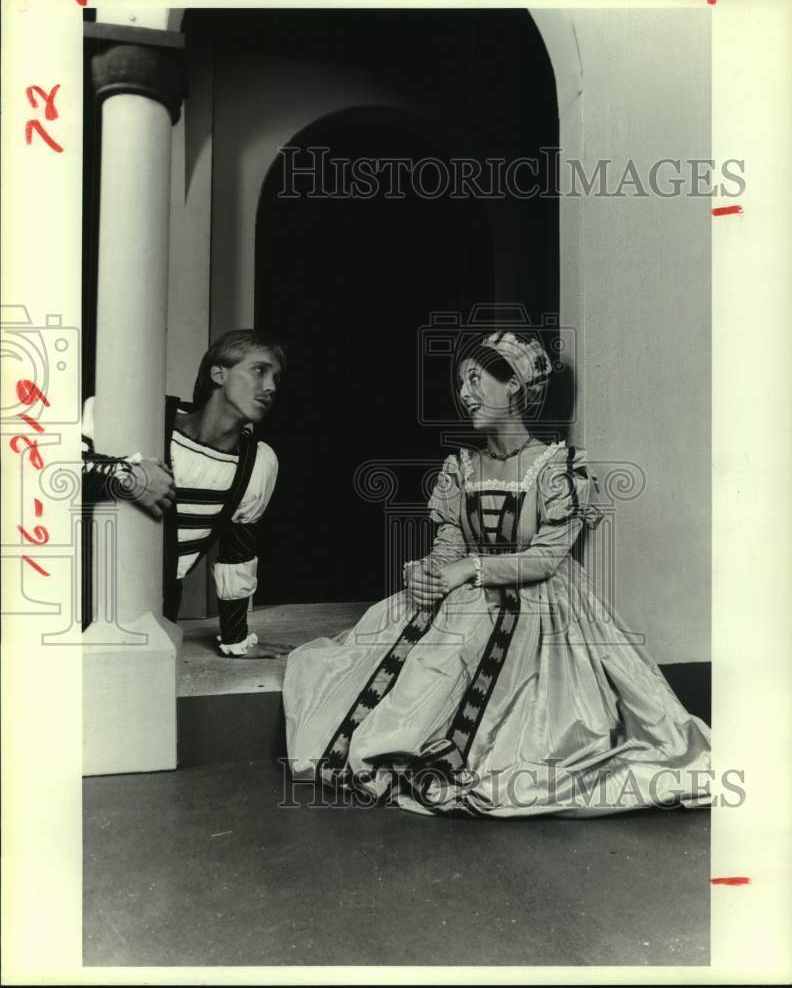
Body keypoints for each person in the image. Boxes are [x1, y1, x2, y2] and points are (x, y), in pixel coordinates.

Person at [282, 329, 712, 817]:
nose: (464, 393)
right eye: (461, 382)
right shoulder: (462, 466)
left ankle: (459, 756)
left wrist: (472, 568)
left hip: (540, 604)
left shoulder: (558, 468)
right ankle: (403, 750)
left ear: (514, 386)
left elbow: (547, 558)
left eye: (474, 378)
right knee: (405, 661)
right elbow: (449, 544)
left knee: (485, 671)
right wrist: (425, 571)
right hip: (466, 594)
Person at [82, 330, 285, 658]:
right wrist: (126, 476)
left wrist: (236, 637)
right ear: (219, 373)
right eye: (259, 371)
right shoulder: (144, 419)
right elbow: (50, 475)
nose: (271, 387)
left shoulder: (256, 462)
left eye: (276, 377)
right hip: (74, 602)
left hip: (155, 619)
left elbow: (237, 551)